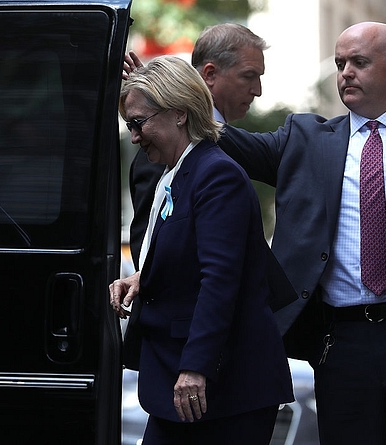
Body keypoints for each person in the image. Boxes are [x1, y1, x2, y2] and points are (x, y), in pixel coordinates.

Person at [217, 21, 386, 445]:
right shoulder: (304, 139)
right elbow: (225, 142)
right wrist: (170, 92)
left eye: (359, 63)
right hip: (342, 343)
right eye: (340, 63)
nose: (345, 72)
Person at [109, 55, 294, 445]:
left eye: (139, 123)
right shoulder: (176, 173)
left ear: (178, 113)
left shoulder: (215, 173)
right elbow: (192, 254)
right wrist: (143, 277)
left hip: (222, 384)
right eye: (130, 125)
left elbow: (221, 278)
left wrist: (196, 368)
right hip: (184, 378)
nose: (135, 136)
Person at [124, 23, 268, 268]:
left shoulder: (217, 146)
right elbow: (147, 250)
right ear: (210, 74)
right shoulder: (161, 150)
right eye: (248, 76)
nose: (257, 90)